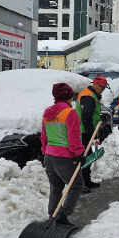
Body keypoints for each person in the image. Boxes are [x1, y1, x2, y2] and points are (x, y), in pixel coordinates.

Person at [41, 83, 86, 225]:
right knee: (77, 185)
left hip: (49, 156)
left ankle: (52, 214)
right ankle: (62, 214)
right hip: (65, 157)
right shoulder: (69, 112)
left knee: (56, 186)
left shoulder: (48, 112)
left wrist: (45, 150)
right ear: (68, 95)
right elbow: (73, 135)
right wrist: (78, 153)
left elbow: (44, 136)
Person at [76, 76, 107, 190]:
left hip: (88, 130)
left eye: (104, 87)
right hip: (83, 131)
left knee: (89, 155)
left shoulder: (92, 95)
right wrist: (90, 132)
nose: (102, 89)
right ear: (94, 84)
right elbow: (86, 116)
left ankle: (87, 181)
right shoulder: (88, 96)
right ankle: (81, 183)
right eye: (101, 86)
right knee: (84, 156)